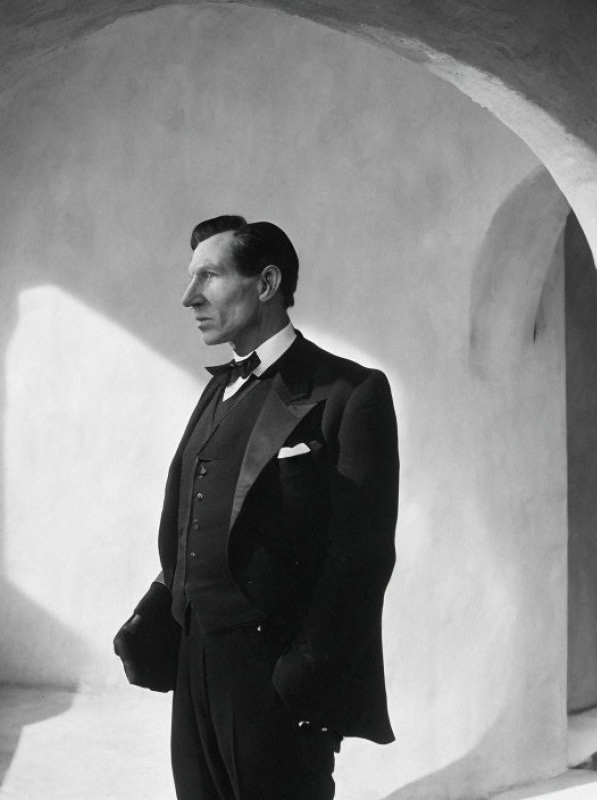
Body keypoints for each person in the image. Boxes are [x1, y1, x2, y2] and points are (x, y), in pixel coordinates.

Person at [114, 215, 399, 800]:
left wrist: (301, 677)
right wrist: (156, 615)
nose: (189, 296)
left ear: (266, 284)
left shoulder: (349, 393)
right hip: (195, 662)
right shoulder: (217, 389)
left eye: (210, 276)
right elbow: (196, 520)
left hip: (275, 677)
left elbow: (361, 558)